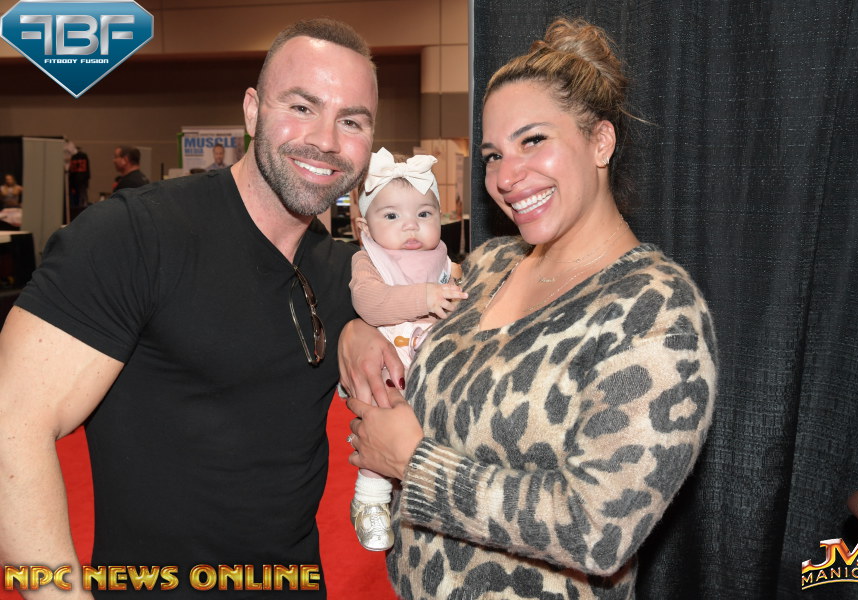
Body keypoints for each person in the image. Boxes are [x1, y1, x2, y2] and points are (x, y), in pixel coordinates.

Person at [0, 17, 397, 599]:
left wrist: (357, 327)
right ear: (252, 111)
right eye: (302, 107)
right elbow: (11, 423)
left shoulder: (347, 274)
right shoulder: (136, 235)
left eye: (352, 121)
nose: (327, 140)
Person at [342, 17, 718, 600]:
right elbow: (405, 309)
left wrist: (414, 464)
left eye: (533, 140)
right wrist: (359, 330)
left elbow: (597, 531)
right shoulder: (490, 264)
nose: (507, 176)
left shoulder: (656, 313)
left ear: (601, 142)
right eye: (493, 154)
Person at [347, 147, 466, 552]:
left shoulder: (446, 264)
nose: (411, 226)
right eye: (392, 216)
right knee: (380, 418)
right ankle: (370, 498)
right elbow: (370, 302)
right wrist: (425, 297)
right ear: (365, 227)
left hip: (435, 374)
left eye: (424, 214)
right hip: (389, 373)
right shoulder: (369, 261)